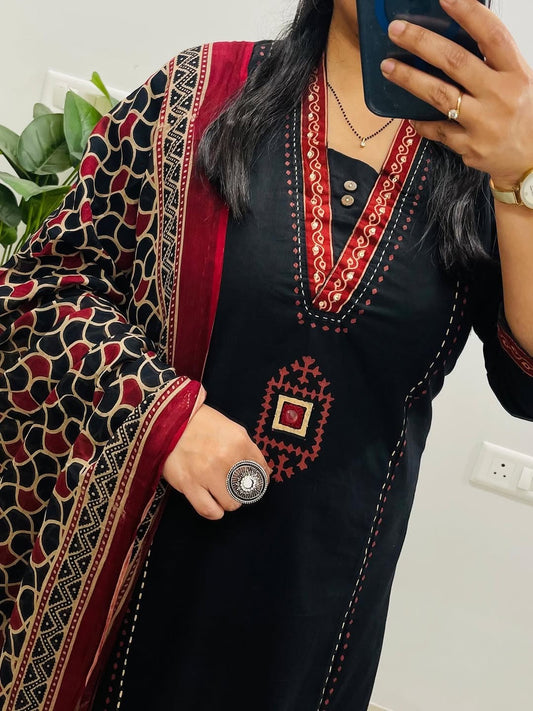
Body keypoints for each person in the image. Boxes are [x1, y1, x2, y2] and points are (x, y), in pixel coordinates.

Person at [1, 0, 533, 708]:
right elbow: (39, 287)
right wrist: (164, 417)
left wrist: (521, 178)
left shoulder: (487, 166)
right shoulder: (199, 96)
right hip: (133, 582)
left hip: (318, 617)